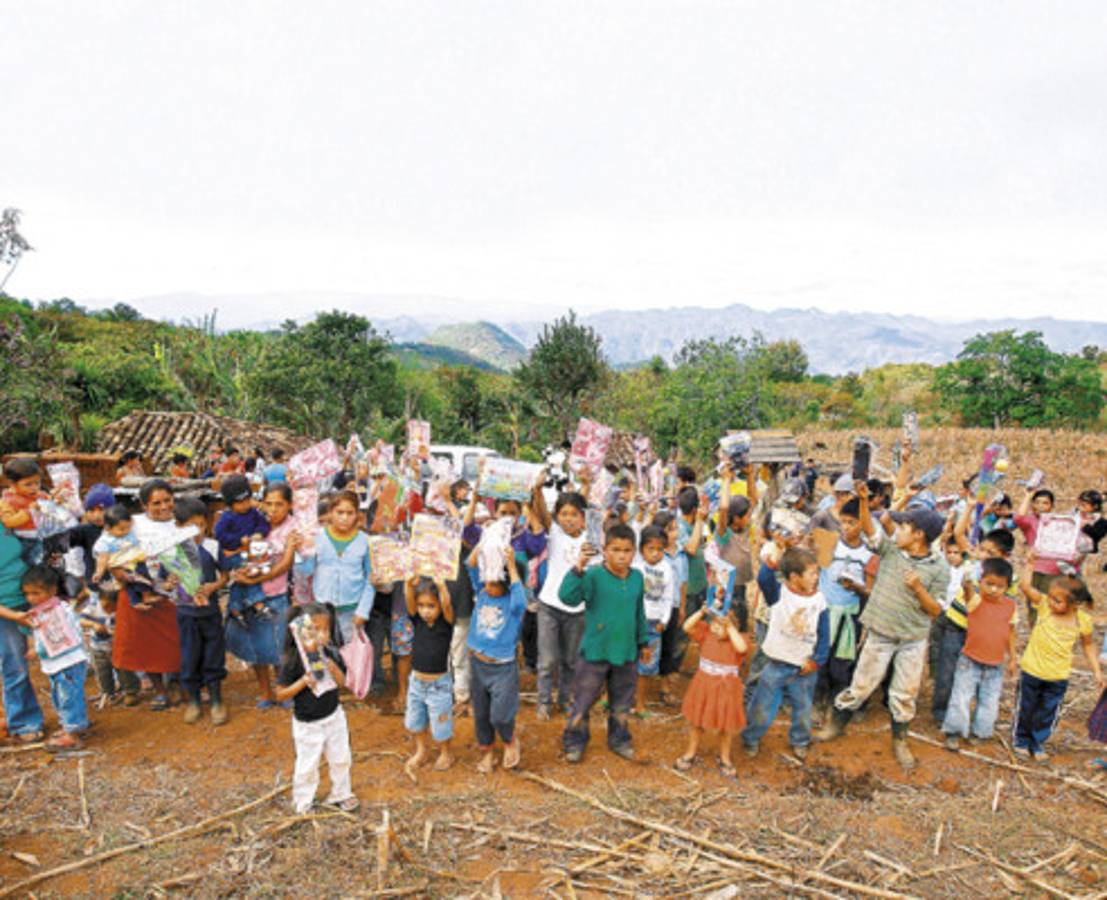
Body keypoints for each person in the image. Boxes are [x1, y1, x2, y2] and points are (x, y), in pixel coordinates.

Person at [817, 486, 949, 770]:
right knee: (861, 685)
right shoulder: (891, 551)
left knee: (904, 693)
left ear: (919, 535)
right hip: (880, 633)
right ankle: (836, 725)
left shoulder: (939, 568)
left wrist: (918, 589)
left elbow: (936, 610)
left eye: (903, 527)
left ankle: (900, 740)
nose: (896, 530)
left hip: (913, 640)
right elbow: (870, 528)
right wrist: (864, 501)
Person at [559, 523, 649, 763]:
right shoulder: (593, 576)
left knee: (622, 701)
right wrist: (578, 567)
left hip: (626, 651)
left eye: (627, 550)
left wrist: (643, 642)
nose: (621, 556)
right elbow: (567, 597)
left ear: (634, 552)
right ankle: (574, 741)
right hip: (595, 651)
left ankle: (619, 739)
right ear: (604, 550)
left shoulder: (637, 578)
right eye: (615, 549)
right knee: (583, 700)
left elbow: (639, 612)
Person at [1013, 554, 1105, 761]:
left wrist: (1097, 671)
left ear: (1074, 604)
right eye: (1051, 596)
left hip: (1057, 676)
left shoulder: (1082, 621)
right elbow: (1026, 588)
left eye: (1057, 600)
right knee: (1026, 707)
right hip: (1032, 670)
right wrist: (1029, 565)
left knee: (1048, 711)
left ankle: (1037, 742)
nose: (1051, 601)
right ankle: (1021, 740)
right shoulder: (1044, 607)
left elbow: (1088, 645)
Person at [741, 548, 828, 761]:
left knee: (803, 707)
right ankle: (751, 737)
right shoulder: (780, 594)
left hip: (804, 667)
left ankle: (800, 740)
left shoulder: (819, 600)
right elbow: (764, 579)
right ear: (795, 577)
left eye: (817, 572)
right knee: (763, 705)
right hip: (777, 664)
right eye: (812, 573)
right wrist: (772, 562)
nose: (816, 577)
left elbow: (824, 633)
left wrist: (816, 661)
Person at [275, 603, 358, 814]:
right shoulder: (293, 660)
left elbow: (343, 683)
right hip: (308, 724)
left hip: (334, 716)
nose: (321, 635)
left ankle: (341, 794)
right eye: (315, 630)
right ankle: (303, 803)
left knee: (341, 758)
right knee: (307, 765)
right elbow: (280, 694)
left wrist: (334, 669)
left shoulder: (330, 654)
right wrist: (302, 682)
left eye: (325, 629)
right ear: (299, 632)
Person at [931, 524, 1016, 725]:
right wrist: (969, 509)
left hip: (980, 634)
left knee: (973, 675)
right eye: (982, 549)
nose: (983, 555)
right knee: (947, 671)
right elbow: (959, 533)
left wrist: (1011, 653)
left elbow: (1006, 611)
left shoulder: (1007, 579)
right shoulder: (974, 564)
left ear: (1005, 556)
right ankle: (941, 713)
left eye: (990, 552)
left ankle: (970, 716)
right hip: (956, 625)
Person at [226, 483, 301, 708]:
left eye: (279, 504)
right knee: (255, 645)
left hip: (276, 594)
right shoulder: (253, 521)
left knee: (278, 646)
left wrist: (255, 580)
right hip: (249, 596)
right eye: (269, 504)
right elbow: (233, 550)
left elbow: (285, 564)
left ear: (290, 505)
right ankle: (265, 693)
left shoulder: (293, 528)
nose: (273, 509)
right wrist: (238, 572)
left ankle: (282, 690)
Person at [114, 480, 183, 710]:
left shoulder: (182, 521)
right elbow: (114, 554)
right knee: (146, 645)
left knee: (177, 642)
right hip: (140, 592)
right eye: (156, 503)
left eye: (167, 501)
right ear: (144, 505)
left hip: (174, 593)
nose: (164, 507)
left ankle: (175, 683)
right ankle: (159, 690)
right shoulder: (131, 525)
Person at [164, 497, 229, 726]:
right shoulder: (171, 551)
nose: (198, 531)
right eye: (191, 527)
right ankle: (193, 700)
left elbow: (226, 576)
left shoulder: (212, 547)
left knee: (214, 655)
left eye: (202, 525)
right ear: (178, 527)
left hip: (210, 613)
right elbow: (165, 583)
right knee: (189, 656)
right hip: (186, 614)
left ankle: (217, 700)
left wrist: (213, 586)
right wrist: (170, 583)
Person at [941, 558, 1017, 750]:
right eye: (989, 583)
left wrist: (1013, 658)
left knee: (990, 700)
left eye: (999, 586)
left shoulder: (1010, 606)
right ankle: (954, 732)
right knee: (961, 697)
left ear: (1007, 587)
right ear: (980, 581)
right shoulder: (975, 600)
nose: (993, 589)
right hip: (970, 660)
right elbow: (967, 591)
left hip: (996, 664)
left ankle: (981, 732)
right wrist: (966, 583)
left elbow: (1010, 632)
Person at [468, 547, 526, 774]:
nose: (488, 587)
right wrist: (483, 545)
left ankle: (509, 739)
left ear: (507, 583)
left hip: (503, 668)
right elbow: (471, 565)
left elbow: (520, 597)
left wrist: (510, 565)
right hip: (478, 665)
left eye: (494, 583)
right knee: (481, 714)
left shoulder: (513, 604)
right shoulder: (481, 593)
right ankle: (488, 752)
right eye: (487, 582)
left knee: (501, 715)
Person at [21, 566, 89, 750]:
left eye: (36, 593)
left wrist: (39, 651)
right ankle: (70, 726)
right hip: (57, 664)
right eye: (27, 594)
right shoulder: (41, 611)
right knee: (61, 696)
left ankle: (73, 733)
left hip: (68, 663)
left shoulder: (58, 611)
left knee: (69, 697)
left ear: (52, 590)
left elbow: (61, 638)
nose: (31, 598)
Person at [535, 491, 590, 720]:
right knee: (548, 660)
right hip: (549, 606)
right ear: (557, 516)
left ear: (583, 517)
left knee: (571, 660)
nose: (568, 519)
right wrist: (537, 490)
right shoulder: (555, 534)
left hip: (578, 611)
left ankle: (565, 698)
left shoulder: (591, 540)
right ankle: (543, 702)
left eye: (574, 514)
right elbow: (540, 512)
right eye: (564, 513)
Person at [674, 605, 748, 776]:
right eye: (714, 622)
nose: (715, 627)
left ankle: (725, 757)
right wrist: (702, 612)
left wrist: (729, 627)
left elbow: (742, 648)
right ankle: (690, 752)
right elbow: (687, 626)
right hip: (704, 686)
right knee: (697, 721)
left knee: (726, 725)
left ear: (735, 626)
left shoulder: (738, 640)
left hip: (726, 689)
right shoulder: (707, 634)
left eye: (721, 624)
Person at [296, 490, 375, 646]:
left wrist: (363, 611)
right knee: (325, 649)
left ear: (357, 515)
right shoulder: (317, 537)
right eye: (339, 512)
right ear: (331, 513)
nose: (344, 518)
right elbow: (306, 571)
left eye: (350, 513)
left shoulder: (365, 542)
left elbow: (370, 578)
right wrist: (303, 552)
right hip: (322, 610)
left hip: (351, 611)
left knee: (349, 652)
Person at [815, 498, 872, 710]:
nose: (846, 527)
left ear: (863, 524)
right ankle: (818, 700)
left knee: (842, 659)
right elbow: (815, 572)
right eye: (843, 522)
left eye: (852, 523)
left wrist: (857, 588)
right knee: (821, 655)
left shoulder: (869, 553)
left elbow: (870, 589)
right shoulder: (830, 543)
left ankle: (836, 703)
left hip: (850, 613)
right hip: (825, 610)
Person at [404, 575, 456, 772]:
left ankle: (446, 752)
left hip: (439, 686)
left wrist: (442, 587)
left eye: (431, 606)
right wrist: (408, 584)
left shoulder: (446, 623)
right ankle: (421, 750)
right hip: (416, 683)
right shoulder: (418, 621)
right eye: (421, 605)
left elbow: (448, 606)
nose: (425, 611)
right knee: (416, 720)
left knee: (441, 723)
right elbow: (409, 601)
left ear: (440, 605)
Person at [0, 522, 43, 743]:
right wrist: (13, 615)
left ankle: (72, 717)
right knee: (15, 665)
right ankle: (24, 721)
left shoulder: (8, 520)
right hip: (6, 609)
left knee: (60, 657)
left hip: (33, 600)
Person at [214, 475, 271, 624]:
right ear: (230, 504)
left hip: (249, 552)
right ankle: (257, 602)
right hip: (233, 554)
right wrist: (239, 539)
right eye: (240, 502)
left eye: (247, 500)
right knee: (250, 571)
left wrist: (259, 533)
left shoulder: (253, 513)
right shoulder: (227, 518)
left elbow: (263, 524)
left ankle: (235, 608)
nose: (245, 504)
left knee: (239, 581)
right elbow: (220, 535)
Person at [634, 525, 676, 715]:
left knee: (647, 665)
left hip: (653, 624)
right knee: (624, 661)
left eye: (659, 549)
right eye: (650, 548)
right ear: (642, 549)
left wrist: (664, 620)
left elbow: (668, 597)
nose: (655, 553)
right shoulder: (635, 566)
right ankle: (611, 697)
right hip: (633, 622)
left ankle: (640, 703)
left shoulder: (667, 569)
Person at [91, 505, 139, 584]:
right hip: (122, 569)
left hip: (138, 563)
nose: (126, 531)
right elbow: (102, 559)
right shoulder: (105, 542)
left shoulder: (129, 529)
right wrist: (99, 573)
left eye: (128, 527)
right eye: (121, 529)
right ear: (108, 528)